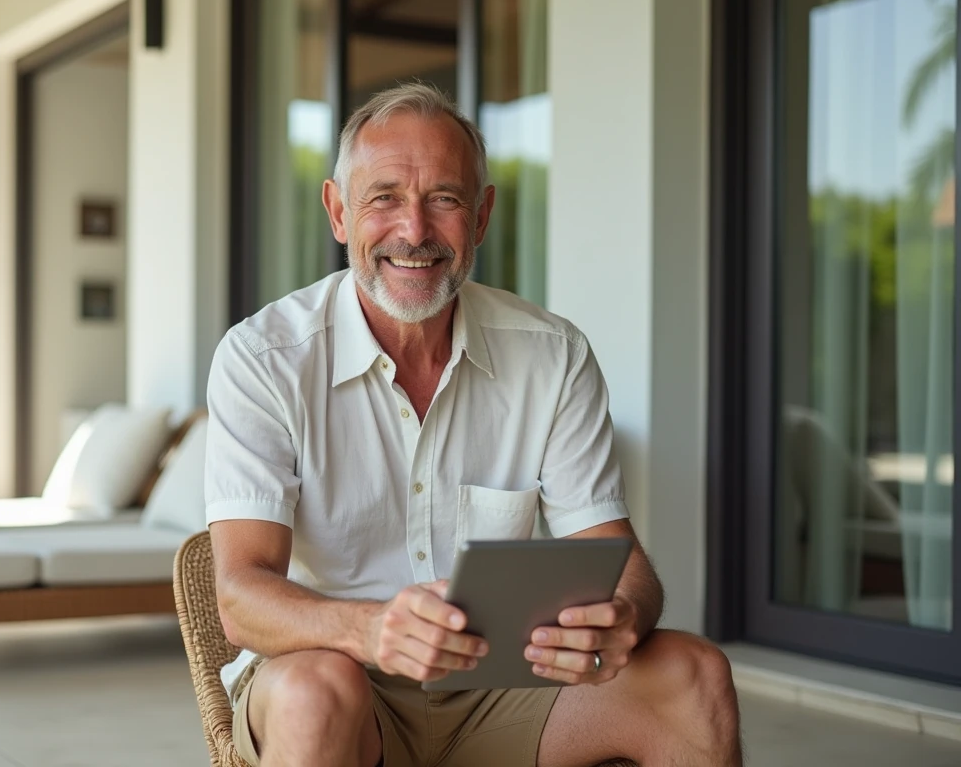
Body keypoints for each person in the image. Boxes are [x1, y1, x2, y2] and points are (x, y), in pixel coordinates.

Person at [204, 83, 741, 767]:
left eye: (445, 200)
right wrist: (373, 632)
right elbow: (239, 596)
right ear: (339, 212)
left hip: (503, 683)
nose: (415, 231)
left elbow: (619, 557)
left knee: (696, 676)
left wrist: (623, 617)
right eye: (385, 197)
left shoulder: (553, 354)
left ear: (482, 215)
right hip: (339, 673)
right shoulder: (264, 358)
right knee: (317, 691)